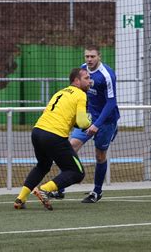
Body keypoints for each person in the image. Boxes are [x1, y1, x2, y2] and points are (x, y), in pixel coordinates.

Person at [14, 68, 92, 211]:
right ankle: (44, 190)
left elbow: (66, 117)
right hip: (54, 135)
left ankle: (21, 198)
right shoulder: (80, 95)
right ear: (76, 81)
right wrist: (90, 123)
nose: (90, 81)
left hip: (37, 131)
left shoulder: (61, 92)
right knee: (77, 172)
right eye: (86, 78)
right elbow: (82, 123)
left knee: (43, 165)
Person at [51, 45, 120, 203]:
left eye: (92, 57)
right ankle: (60, 189)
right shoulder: (82, 70)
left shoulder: (107, 75)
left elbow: (111, 103)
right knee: (70, 147)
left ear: (99, 57)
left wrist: (97, 124)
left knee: (100, 155)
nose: (89, 59)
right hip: (88, 118)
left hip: (106, 120)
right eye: (87, 56)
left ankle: (96, 191)